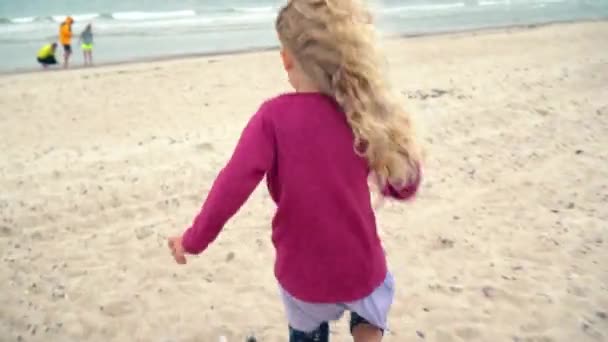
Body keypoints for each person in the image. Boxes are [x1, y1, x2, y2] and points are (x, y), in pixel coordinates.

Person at [167, 0, 422, 341]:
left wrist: (193, 240)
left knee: (306, 327)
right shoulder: (361, 114)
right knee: (375, 296)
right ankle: (367, 330)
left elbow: (232, 185)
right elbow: (401, 187)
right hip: (361, 269)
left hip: (302, 279)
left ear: (286, 58)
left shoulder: (272, 118)